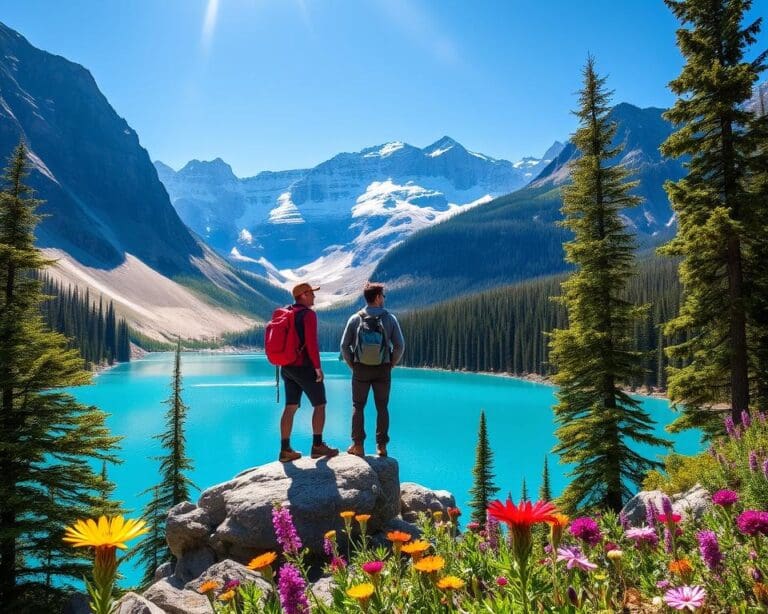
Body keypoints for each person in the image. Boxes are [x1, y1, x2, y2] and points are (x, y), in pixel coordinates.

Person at [340, 282, 405, 457]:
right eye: (383, 295)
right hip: (383, 369)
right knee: (382, 407)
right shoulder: (389, 318)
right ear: (377, 297)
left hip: (360, 369)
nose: (384, 298)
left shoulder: (355, 318)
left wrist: (352, 365)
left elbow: (344, 346)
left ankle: (358, 446)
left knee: (358, 406)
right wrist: (391, 363)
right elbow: (400, 345)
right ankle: (381, 447)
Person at [278, 282, 339, 463]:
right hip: (303, 366)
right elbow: (311, 343)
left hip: (287, 367)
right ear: (303, 295)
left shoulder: (287, 312)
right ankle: (317, 446)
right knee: (320, 404)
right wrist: (318, 368)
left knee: (290, 407)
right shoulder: (308, 315)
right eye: (311, 293)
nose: (314, 296)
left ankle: (285, 449)